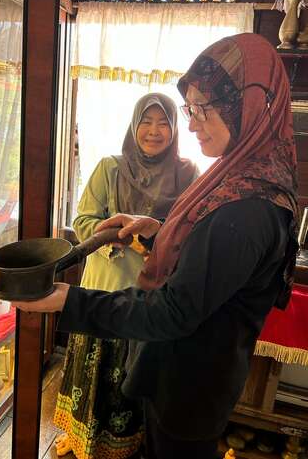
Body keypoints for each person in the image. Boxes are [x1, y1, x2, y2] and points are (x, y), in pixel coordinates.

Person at [0, 33, 299, 459]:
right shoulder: (239, 178)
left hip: (188, 384)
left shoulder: (245, 211)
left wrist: (66, 300)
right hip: (189, 375)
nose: (189, 124)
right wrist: (157, 229)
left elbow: (173, 310)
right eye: (190, 109)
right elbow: (203, 256)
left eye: (201, 109)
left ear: (249, 104)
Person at [54, 93, 199, 458]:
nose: (154, 131)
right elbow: (83, 220)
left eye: (163, 122)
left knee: (133, 376)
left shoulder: (188, 174)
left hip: (149, 300)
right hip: (103, 287)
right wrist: (112, 239)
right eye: (146, 122)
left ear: (174, 128)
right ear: (134, 126)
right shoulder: (110, 167)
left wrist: (153, 239)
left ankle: (125, 443)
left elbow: (190, 232)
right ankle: (79, 437)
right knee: (93, 372)